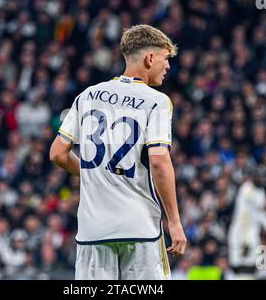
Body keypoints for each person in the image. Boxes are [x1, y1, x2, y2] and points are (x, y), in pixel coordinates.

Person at [49, 24, 187, 280]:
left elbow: (57, 153)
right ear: (150, 58)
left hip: (92, 232)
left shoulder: (87, 96)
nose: (168, 67)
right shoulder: (156, 101)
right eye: (166, 59)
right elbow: (159, 161)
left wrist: (96, 175)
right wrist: (175, 222)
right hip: (140, 229)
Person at [228, 165, 266, 279]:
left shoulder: (260, 191)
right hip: (240, 232)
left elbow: (260, 213)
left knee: (256, 266)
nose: (262, 179)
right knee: (239, 266)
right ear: (254, 177)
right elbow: (243, 217)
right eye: (260, 177)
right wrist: (245, 241)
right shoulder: (247, 191)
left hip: (252, 232)